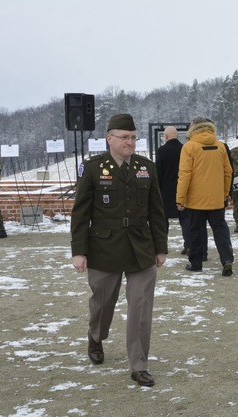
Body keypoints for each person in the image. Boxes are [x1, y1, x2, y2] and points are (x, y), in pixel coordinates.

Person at [70, 113, 168, 387]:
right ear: (109, 139)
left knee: (141, 306)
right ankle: (96, 336)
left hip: (140, 246)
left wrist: (161, 248)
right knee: (102, 302)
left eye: (134, 137)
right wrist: (79, 251)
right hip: (104, 246)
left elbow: (156, 211)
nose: (130, 142)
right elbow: (80, 213)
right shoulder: (93, 168)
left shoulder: (146, 167)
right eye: (125, 137)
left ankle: (139, 364)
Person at [176, 116, 234, 276]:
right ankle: (227, 259)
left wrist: (180, 199)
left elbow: (185, 175)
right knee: (220, 229)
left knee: (195, 231)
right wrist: (224, 193)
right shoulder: (220, 146)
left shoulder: (189, 147)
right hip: (216, 199)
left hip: (195, 200)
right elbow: (228, 172)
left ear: (193, 128)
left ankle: (196, 263)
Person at [156, 126, 206, 259]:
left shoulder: (161, 151)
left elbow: (158, 173)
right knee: (185, 220)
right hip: (184, 190)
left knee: (163, 221)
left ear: (165, 137)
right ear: (178, 136)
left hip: (165, 192)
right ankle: (188, 245)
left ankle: (162, 247)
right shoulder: (185, 149)